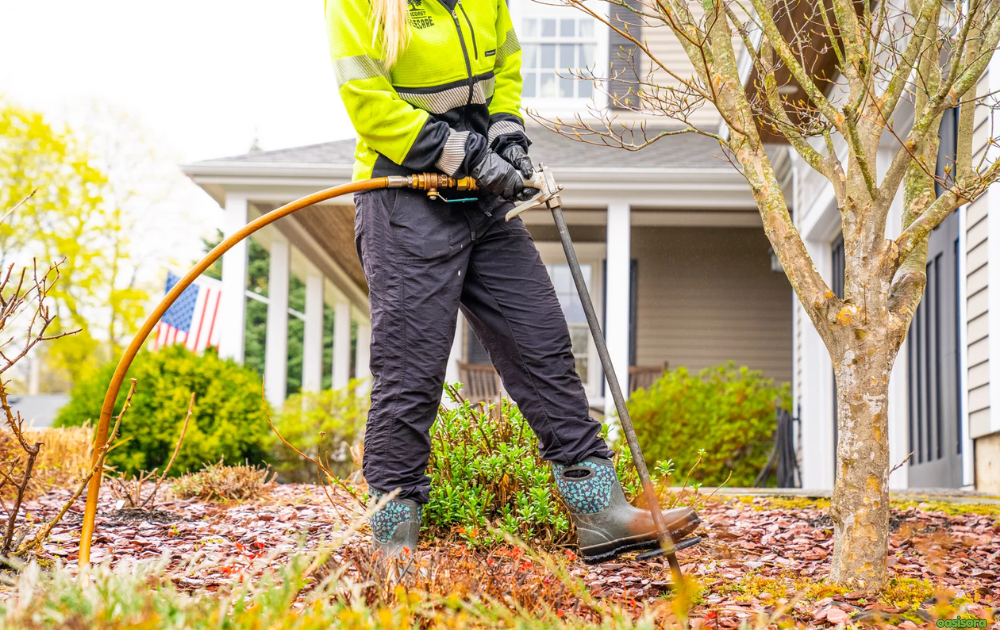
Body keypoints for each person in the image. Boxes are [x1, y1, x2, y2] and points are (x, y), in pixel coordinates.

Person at [326, 0, 698, 566]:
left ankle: (601, 513)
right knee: (410, 371)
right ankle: (392, 547)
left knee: (541, 342)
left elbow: (505, 70)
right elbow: (369, 103)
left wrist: (506, 138)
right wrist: (467, 153)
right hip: (403, 196)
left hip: (482, 198)